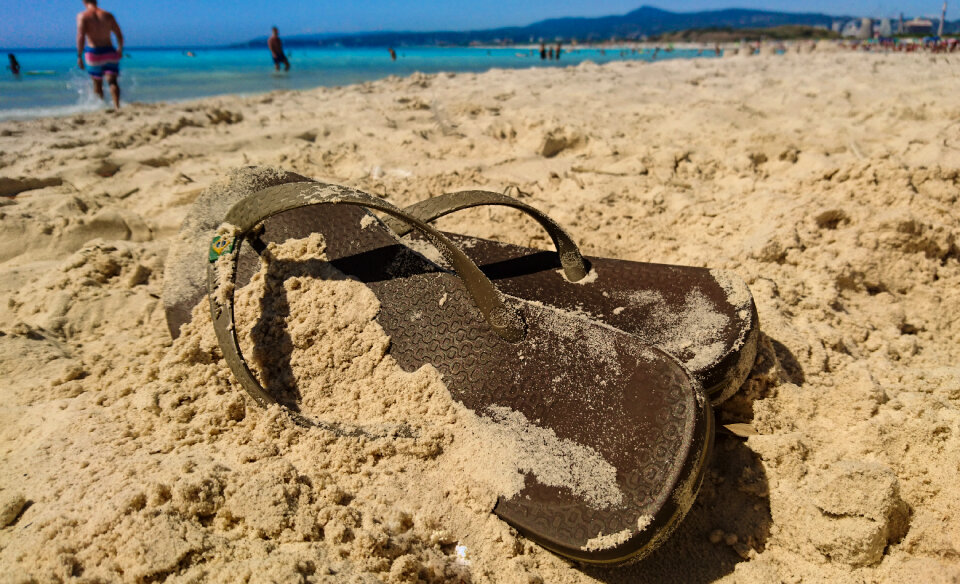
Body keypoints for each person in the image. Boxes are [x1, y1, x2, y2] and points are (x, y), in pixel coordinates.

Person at [76, 0, 123, 109]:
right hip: (109, 51)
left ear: (84, 2)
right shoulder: (108, 15)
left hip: (94, 52)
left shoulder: (83, 16)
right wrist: (120, 49)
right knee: (113, 81)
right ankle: (117, 106)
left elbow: (81, 36)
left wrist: (79, 56)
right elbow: (119, 34)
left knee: (97, 83)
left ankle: (102, 106)